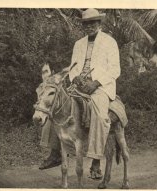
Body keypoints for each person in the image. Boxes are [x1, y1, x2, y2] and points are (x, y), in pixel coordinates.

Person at [39, 8, 120, 180]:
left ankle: (96, 160)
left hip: (101, 86)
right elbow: (74, 67)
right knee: (54, 104)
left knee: (99, 114)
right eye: (86, 23)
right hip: (79, 84)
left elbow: (115, 69)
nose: (89, 26)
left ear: (99, 23)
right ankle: (54, 151)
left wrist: (96, 83)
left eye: (92, 22)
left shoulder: (109, 42)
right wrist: (75, 79)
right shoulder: (79, 43)